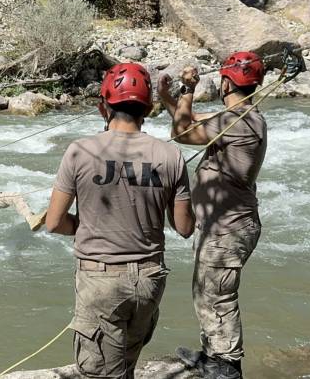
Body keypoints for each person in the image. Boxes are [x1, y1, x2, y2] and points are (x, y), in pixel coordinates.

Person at [46, 63, 195, 378]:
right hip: (150, 282)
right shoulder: (171, 156)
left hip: (102, 283)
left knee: (101, 373)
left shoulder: (79, 151)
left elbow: (53, 222)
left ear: (104, 107)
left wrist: (84, 227)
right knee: (125, 366)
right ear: (148, 109)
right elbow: (185, 228)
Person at [158, 52, 267, 379]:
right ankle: (214, 355)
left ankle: (226, 366)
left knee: (216, 295)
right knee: (208, 292)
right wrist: (169, 98)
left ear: (225, 82)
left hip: (228, 227)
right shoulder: (242, 117)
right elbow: (191, 121)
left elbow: (183, 134)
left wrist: (188, 90)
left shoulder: (238, 122)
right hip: (227, 224)